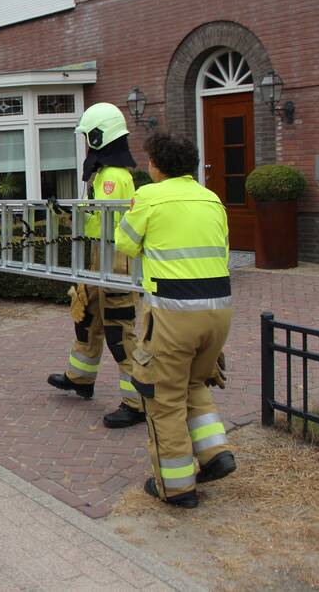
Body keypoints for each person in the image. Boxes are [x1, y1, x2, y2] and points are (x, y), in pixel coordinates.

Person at [116, 133, 235, 509]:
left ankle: (177, 487)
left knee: (163, 400)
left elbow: (125, 243)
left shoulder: (150, 196)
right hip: (218, 313)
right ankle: (216, 454)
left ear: (156, 166)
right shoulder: (212, 198)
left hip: (171, 314)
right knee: (194, 382)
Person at [46, 103, 145, 429]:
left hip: (115, 262)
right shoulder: (105, 173)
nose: (87, 143)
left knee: (120, 333)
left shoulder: (113, 177)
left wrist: (74, 216)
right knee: (88, 320)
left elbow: (105, 223)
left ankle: (136, 402)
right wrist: (66, 213)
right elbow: (96, 221)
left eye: (90, 136)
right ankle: (80, 378)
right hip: (100, 258)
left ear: (102, 136)